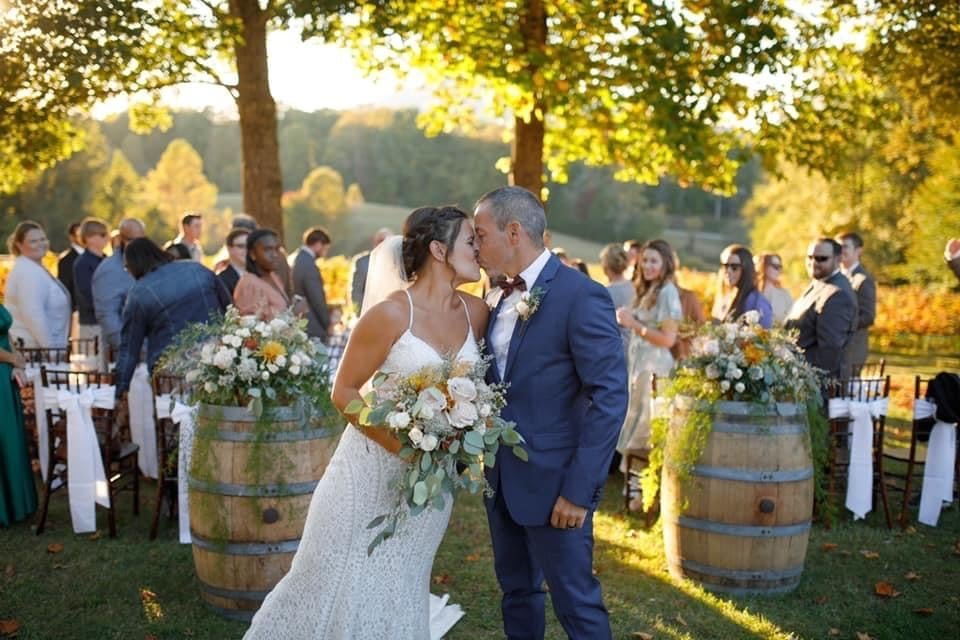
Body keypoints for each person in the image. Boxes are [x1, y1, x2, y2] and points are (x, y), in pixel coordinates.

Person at [244, 206, 487, 639]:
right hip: (368, 473)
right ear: (438, 249)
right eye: (471, 240)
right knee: (339, 581)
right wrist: (407, 447)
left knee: (402, 582)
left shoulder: (477, 312)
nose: (479, 249)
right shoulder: (391, 314)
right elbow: (345, 392)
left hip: (434, 483)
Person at [474, 186, 627, 640]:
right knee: (517, 594)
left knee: (576, 604)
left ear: (514, 231)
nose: (475, 246)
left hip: (557, 485)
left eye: (480, 235)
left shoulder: (581, 296)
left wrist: (580, 491)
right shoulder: (497, 296)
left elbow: (610, 397)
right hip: (501, 480)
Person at [114, 238, 230, 397]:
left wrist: (120, 388)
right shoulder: (196, 268)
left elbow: (130, 347)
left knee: (178, 417)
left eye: (127, 268)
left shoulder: (139, 293)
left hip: (175, 372)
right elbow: (229, 308)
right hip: (218, 359)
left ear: (134, 265)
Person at [615, 240, 681, 481]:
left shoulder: (668, 292)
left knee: (648, 429)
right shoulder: (645, 291)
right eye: (645, 260)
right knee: (637, 424)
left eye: (654, 261)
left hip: (656, 369)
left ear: (666, 264)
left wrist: (634, 324)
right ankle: (634, 487)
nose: (648, 266)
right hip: (639, 368)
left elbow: (668, 339)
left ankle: (643, 489)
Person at [784, 238, 857, 380]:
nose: (813, 263)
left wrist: (795, 370)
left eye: (821, 258)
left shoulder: (837, 295)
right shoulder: (818, 283)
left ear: (838, 259)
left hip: (814, 385)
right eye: (810, 257)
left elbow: (829, 353)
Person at [4, 221, 71, 348]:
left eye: (43, 239)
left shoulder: (35, 268)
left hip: (44, 351)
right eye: (33, 241)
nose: (41, 244)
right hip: (35, 353)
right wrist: (50, 349)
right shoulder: (27, 272)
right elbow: (33, 314)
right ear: (19, 245)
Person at [0, 303, 36, 527]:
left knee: (11, 439)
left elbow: (6, 332)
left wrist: (17, 360)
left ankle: (17, 505)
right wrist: (13, 360)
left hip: (5, 378)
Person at [92, 218, 146, 356]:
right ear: (121, 239)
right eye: (132, 240)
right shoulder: (109, 270)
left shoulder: (143, 263)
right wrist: (131, 350)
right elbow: (108, 317)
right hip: (126, 355)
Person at [837, 232, 876, 375]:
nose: (840, 250)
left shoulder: (863, 279)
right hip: (834, 347)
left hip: (852, 349)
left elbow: (868, 316)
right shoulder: (835, 277)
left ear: (858, 250)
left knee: (845, 394)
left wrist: (841, 325)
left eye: (845, 246)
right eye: (838, 247)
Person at [711, 244, 773, 329]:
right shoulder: (724, 297)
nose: (728, 271)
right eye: (725, 266)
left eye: (734, 267)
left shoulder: (758, 302)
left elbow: (763, 338)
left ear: (746, 269)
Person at [233, 229, 290, 320]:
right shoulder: (249, 284)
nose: (275, 255)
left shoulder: (273, 276)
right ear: (252, 254)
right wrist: (294, 312)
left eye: (277, 249)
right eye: (268, 249)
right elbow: (252, 327)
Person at [289, 226, 332, 341]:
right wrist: (327, 323)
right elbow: (316, 297)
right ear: (318, 244)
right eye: (325, 249)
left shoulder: (298, 257)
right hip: (312, 324)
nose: (324, 254)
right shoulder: (308, 264)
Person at [72, 217, 109, 346]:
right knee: (92, 363)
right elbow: (87, 293)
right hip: (91, 323)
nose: (107, 238)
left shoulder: (106, 260)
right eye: (103, 234)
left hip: (109, 321)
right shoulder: (82, 263)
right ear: (89, 238)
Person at [599, 243, 635, 358]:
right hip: (635, 351)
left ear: (606, 265)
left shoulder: (603, 292)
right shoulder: (636, 288)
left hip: (612, 352)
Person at [348, 227, 392, 315]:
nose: (383, 244)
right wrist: (360, 314)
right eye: (381, 240)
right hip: (367, 313)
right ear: (375, 242)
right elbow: (356, 291)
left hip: (389, 314)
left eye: (387, 241)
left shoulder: (396, 263)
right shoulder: (362, 262)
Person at [755, 252, 793, 325]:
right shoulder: (753, 295)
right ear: (763, 266)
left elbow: (792, 321)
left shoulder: (785, 294)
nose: (779, 270)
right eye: (775, 267)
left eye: (780, 267)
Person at [56, 222, 83, 315]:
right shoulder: (66, 261)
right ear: (72, 237)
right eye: (80, 234)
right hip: (76, 314)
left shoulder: (100, 256)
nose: (84, 237)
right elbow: (65, 291)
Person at [215, 228, 249, 296]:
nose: (246, 250)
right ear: (229, 248)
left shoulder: (260, 276)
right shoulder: (222, 280)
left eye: (249, 246)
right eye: (241, 246)